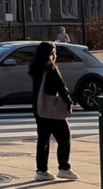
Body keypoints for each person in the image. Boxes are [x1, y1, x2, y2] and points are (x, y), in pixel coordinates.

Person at [29, 41, 78, 181]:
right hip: (51, 109)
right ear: (50, 54)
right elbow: (61, 88)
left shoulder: (36, 68)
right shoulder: (50, 69)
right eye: (54, 52)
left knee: (43, 139)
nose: (55, 55)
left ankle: (41, 170)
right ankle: (64, 167)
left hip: (39, 108)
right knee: (64, 136)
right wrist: (69, 102)